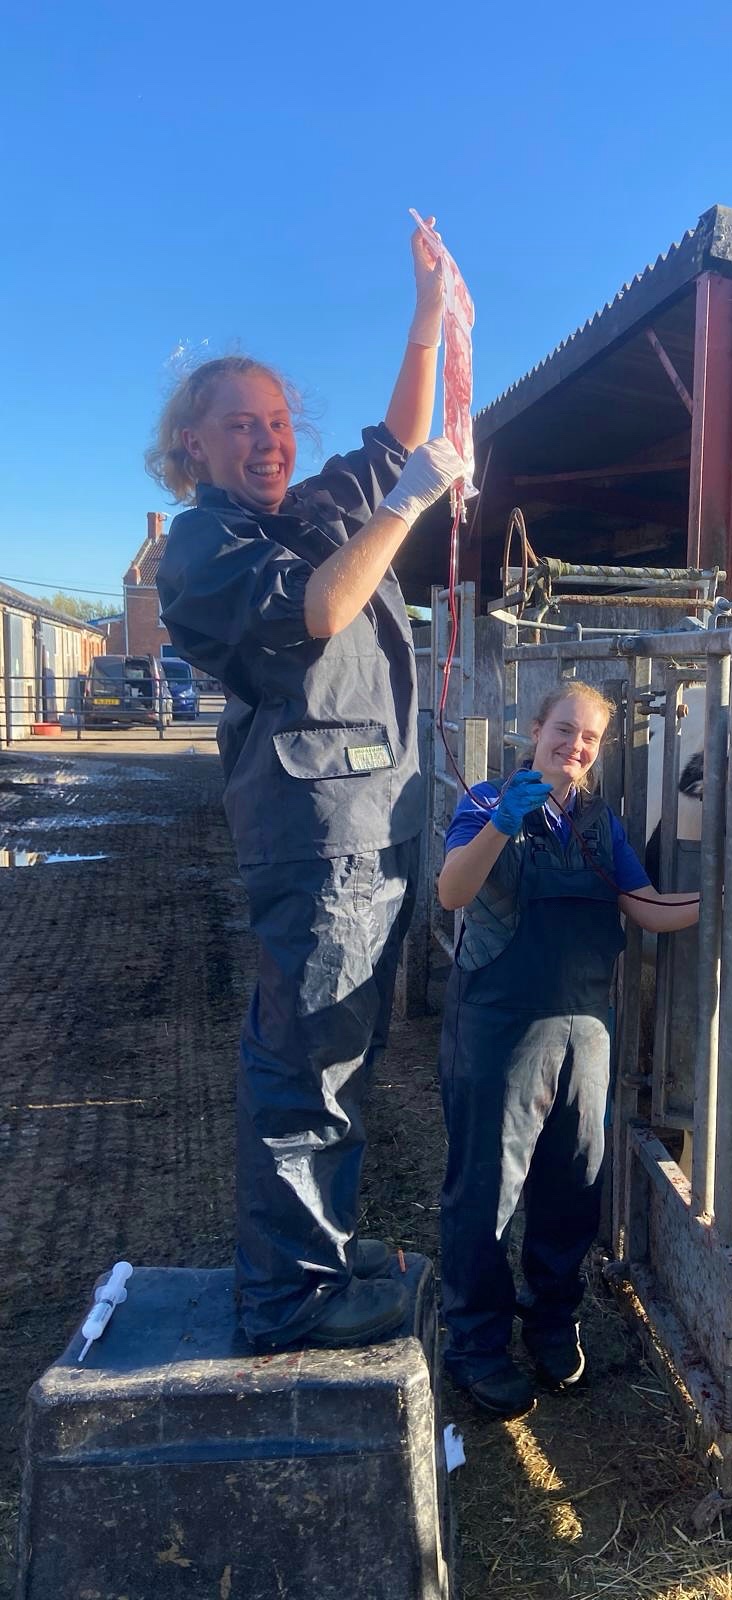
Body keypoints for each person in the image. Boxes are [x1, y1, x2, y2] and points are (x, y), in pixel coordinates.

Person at [151, 221, 465, 1353]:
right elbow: (318, 611)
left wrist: (428, 309)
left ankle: (317, 1251)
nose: (269, 441)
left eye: (280, 422)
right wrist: (408, 508)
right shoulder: (204, 546)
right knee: (306, 1064)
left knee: (342, 1053)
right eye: (243, 425)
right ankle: (288, 1296)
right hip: (319, 837)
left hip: (371, 827)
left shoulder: (306, 512)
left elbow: (397, 434)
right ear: (193, 445)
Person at [436, 680, 700, 1419]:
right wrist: (500, 828)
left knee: (574, 1186)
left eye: (588, 739)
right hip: (499, 1028)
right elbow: (452, 892)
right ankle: (477, 1344)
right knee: (485, 1190)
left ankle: (552, 1322)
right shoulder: (489, 802)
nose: (574, 747)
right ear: (534, 726)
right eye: (564, 731)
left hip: (586, 1028)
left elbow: (642, 905)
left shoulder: (598, 822)